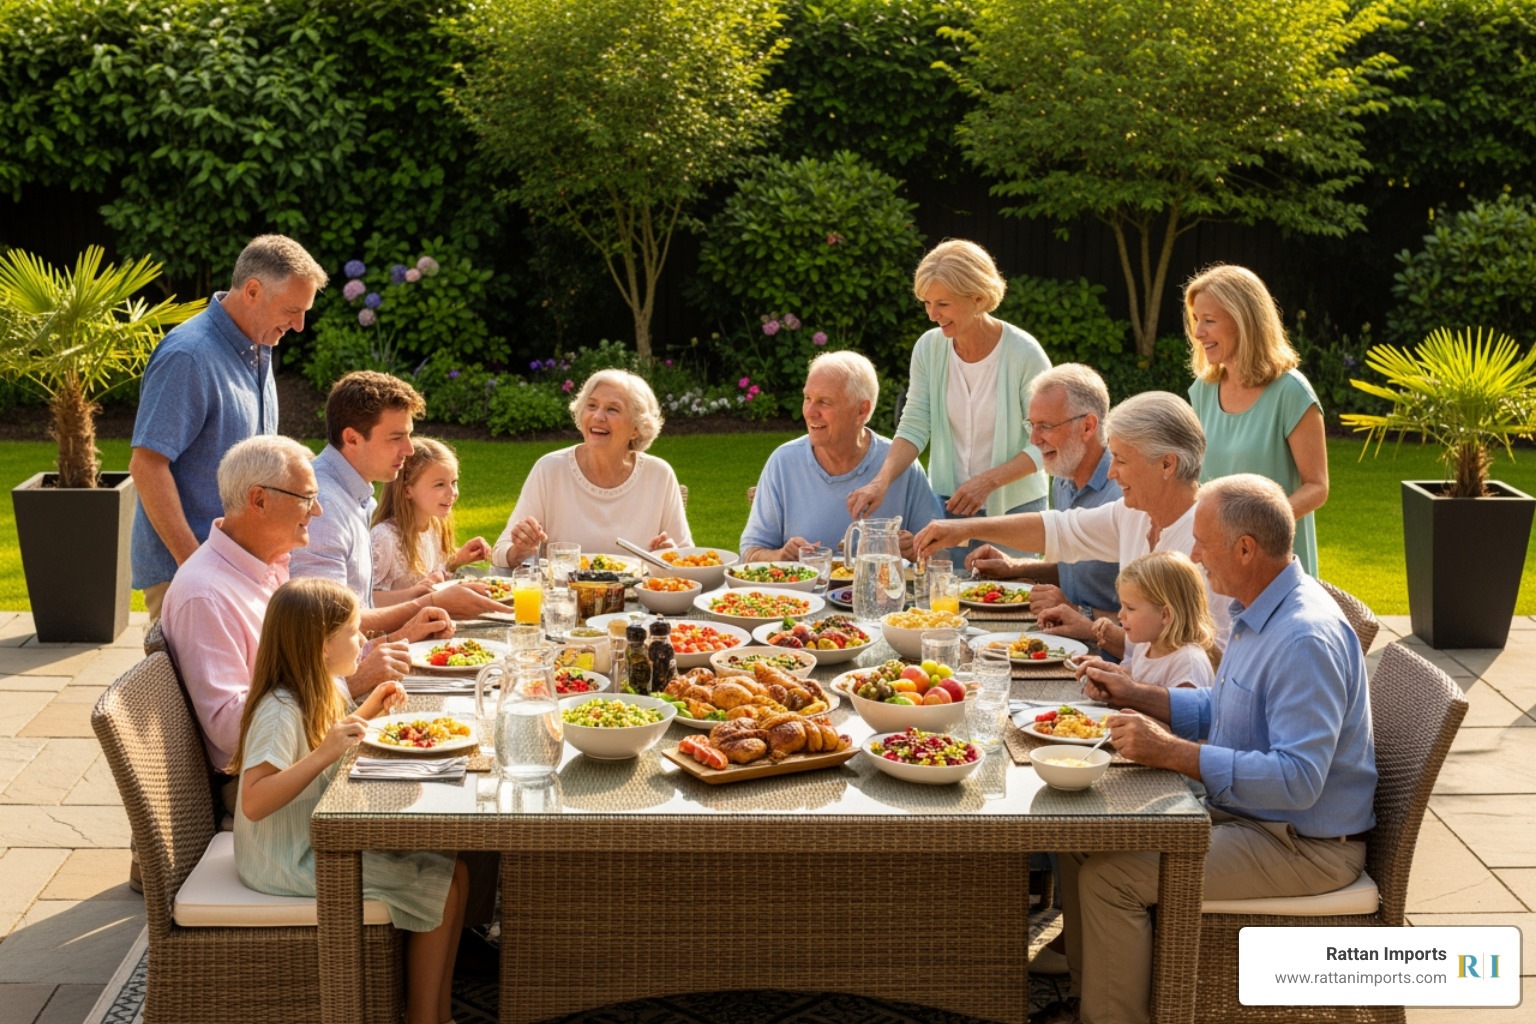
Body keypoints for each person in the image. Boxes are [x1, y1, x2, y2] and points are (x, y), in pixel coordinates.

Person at [1034, 475, 1374, 1024]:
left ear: (1245, 548)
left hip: (1302, 845)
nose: (1192, 556)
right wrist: (1139, 693)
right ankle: (1092, 996)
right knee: (1083, 838)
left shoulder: (1303, 638)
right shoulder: (1259, 608)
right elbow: (1230, 709)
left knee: (1111, 876)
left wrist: (1174, 754)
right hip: (1255, 816)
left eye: (1202, 543)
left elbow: (1297, 780)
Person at [230, 577, 469, 1024]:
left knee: (454, 868)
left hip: (310, 840)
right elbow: (254, 801)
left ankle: (437, 1013)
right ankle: (421, 1017)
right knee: (438, 883)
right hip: (286, 858)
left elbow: (336, 736)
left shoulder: (325, 683)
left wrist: (370, 708)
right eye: (355, 633)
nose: (365, 642)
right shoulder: (280, 710)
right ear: (322, 645)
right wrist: (324, 754)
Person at [161, 435, 417, 803]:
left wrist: (372, 650)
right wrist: (352, 681)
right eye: (307, 499)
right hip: (270, 784)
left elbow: (301, 662)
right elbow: (229, 730)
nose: (318, 512)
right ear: (259, 500)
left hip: (305, 750)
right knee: (423, 805)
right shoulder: (205, 595)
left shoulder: (267, 563)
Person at [914, 391, 1229, 654]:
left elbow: (1208, 657)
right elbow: (1056, 529)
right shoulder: (1134, 513)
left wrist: (1092, 626)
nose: (1111, 472)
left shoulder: (1210, 544)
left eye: (1121, 460)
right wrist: (962, 529)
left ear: (1166, 463)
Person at [130, 234, 327, 620]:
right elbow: (147, 466)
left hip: (243, 569)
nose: (300, 326)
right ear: (252, 291)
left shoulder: (256, 347)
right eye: (292, 309)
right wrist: (193, 567)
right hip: (191, 575)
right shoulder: (188, 356)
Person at [846, 239, 1050, 556]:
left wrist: (988, 482)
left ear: (978, 299)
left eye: (942, 304)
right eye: (926, 303)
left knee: (1011, 600)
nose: (931, 314)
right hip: (948, 509)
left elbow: (1047, 442)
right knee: (947, 598)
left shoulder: (1025, 354)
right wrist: (880, 481)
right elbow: (914, 423)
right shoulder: (929, 349)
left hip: (1015, 511)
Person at [290, 371, 504, 627]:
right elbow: (324, 622)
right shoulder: (323, 508)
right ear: (352, 438)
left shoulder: (355, 496)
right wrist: (433, 603)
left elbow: (359, 604)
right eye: (396, 438)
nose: (409, 449)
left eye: (408, 435)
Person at [1184, 264, 1328, 575]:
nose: (1198, 333)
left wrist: (1258, 530)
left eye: (1209, 321)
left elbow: (1317, 487)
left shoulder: (1291, 392)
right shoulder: (1203, 391)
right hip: (1218, 564)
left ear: (1244, 321)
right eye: (1196, 320)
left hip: (1276, 566)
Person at [740, 351, 942, 562]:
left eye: (824, 402)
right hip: (805, 595)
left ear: (862, 411)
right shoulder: (783, 463)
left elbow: (938, 554)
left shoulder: (901, 465)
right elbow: (750, 552)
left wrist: (915, 551)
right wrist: (781, 556)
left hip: (880, 593)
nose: (810, 411)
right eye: (807, 398)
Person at [967, 364, 1122, 626]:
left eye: (1046, 426)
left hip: (1111, 656)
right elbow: (1076, 571)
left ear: (1087, 426)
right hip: (1062, 638)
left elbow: (1157, 625)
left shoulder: (1123, 493)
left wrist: (1075, 611)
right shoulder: (1063, 479)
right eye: (1032, 425)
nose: (1035, 439)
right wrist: (1016, 568)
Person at [493, 369, 691, 566]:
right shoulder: (550, 470)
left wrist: (671, 556)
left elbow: (689, 558)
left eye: (612, 409)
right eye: (592, 405)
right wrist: (519, 550)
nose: (598, 416)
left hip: (637, 596)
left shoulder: (658, 475)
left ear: (636, 428)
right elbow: (501, 551)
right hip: (564, 596)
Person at [371, 437, 492, 598]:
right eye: (440, 485)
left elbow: (431, 573)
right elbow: (364, 601)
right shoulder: (385, 538)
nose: (452, 493)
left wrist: (456, 561)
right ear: (407, 491)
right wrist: (414, 595)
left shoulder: (435, 525)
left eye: (454, 482)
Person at [1087, 551, 1218, 691]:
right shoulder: (1144, 648)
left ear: (1165, 615)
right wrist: (1106, 681)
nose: (1120, 615)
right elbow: (1135, 687)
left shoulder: (1188, 663)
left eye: (1130, 608)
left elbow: (1183, 710)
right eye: (1122, 606)